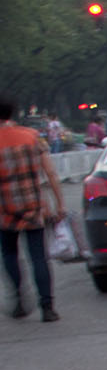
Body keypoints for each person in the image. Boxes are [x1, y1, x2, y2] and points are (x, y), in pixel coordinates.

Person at [0, 97, 65, 322]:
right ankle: (47, 307)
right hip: (33, 206)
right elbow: (50, 173)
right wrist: (60, 203)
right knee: (39, 256)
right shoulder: (30, 136)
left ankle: (18, 300)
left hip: (5, 209)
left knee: (9, 254)